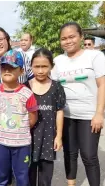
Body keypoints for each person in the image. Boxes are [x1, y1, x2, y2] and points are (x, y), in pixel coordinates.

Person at [51, 22, 105, 186]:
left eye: (71, 37)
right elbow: (51, 86)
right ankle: (71, 184)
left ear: (81, 37)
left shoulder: (94, 56)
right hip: (66, 114)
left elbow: (102, 84)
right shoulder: (58, 60)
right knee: (69, 153)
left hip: (88, 114)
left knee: (89, 155)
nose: (67, 41)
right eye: (63, 38)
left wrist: (99, 113)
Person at [0, 49, 38, 186]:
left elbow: (32, 117)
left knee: (22, 176)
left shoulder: (27, 94)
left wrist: (20, 129)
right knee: (0, 176)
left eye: (12, 67)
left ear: (21, 71)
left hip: (21, 144)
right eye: (4, 67)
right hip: (0, 143)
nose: (7, 70)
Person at [25, 48, 66, 186]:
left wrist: (59, 136)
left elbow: (59, 111)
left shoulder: (57, 87)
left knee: (45, 178)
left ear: (51, 67)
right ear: (31, 66)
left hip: (48, 138)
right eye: (37, 66)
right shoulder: (25, 87)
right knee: (28, 176)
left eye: (44, 66)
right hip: (27, 139)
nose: (40, 70)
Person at [0, 26, 34, 96]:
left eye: (0, 40)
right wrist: (5, 96)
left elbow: (33, 81)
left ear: (7, 39)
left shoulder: (22, 56)